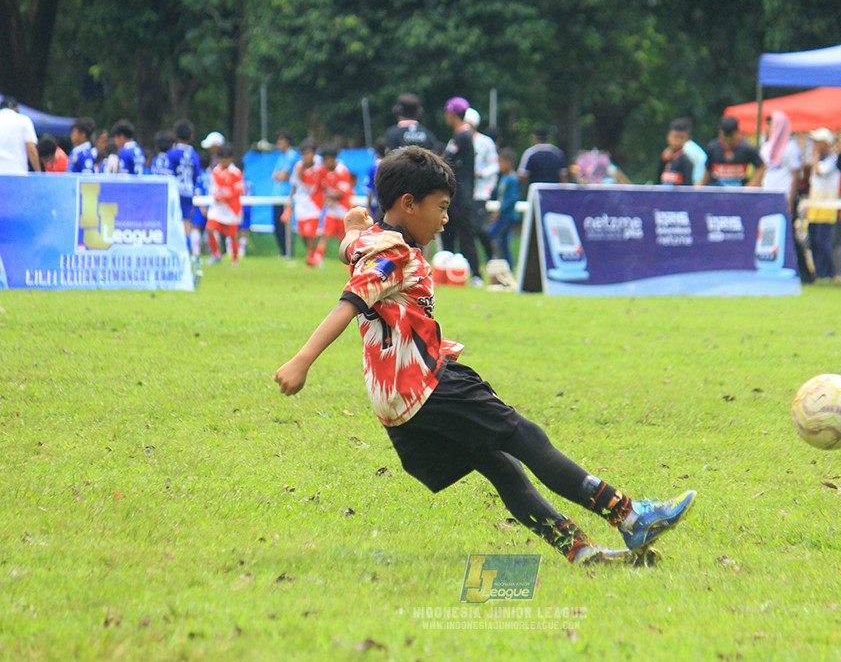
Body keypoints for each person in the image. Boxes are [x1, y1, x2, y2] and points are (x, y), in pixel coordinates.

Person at [273, 146, 697, 565]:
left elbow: (350, 249)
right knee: (526, 437)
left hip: (395, 399)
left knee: (501, 467)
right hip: (425, 383)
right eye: (441, 207)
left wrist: (350, 228)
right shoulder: (394, 254)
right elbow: (349, 303)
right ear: (408, 204)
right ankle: (629, 515)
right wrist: (302, 360)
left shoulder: (372, 242)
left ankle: (581, 551)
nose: (445, 218)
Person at [442, 96, 481, 283]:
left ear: (452, 113)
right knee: (448, 233)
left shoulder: (463, 136)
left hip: (461, 195)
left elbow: (449, 162)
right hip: (455, 194)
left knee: (465, 235)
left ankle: (476, 274)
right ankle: (448, 272)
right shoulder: (459, 136)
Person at [805, 128, 841, 280]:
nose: (815, 146)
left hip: (827, 207)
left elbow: (819, 171)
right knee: (813, 240)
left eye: (817, 143)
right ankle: (819, 272)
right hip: (814, 206)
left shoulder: (833, 160)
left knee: (823, 240)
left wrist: (814, 157)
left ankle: (829, 272)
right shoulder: (819, 160)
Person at [465, 107, 499, 264]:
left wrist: (481, 174)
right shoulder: (457, 140)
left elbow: (494, 166)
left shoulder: (485, 142)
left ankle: (490, 256)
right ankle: (469, 263)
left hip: (480, 192)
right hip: (464, 192)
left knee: (477, 227)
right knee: (465, 230)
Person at [312, 144, 353, 267]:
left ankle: (349, 262)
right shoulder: (325, 171)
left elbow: (342, 193)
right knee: (325, 234)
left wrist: (328, 197)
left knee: (345, 238)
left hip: (343, 210)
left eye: (326, 160)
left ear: (332, 159)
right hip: (332, 210)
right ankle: (317, 259)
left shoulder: (342, 172)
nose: (324, 163)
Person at [205, 143, 245, 266]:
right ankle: (216, 254)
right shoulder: (215, 172)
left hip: (231, 207)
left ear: (231, 159)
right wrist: (216, 196)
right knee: (210, 228)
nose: (224, 161)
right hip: (218, 207)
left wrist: (225, 197)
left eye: (226, 158)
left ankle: (234, 259)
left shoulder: (236, 172)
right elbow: (213, 187)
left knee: (232, 235)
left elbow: (239, 190)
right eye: (221, 158)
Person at [167, 119, 203, 257]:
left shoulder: (172, 153)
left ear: (175, 135)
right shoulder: (194, 155)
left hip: (175, 191)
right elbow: (196, 176)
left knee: (172, 220)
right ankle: (186, 252)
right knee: (186, 222)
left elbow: (169, 173)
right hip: (188, 191)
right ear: (191, 137)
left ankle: (173, 251)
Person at [699, 116, 765, 188]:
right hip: (718, 191)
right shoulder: (713, 148)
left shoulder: (747, 148)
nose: (728, 140)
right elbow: (708, 169)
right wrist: (700, 187)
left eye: (731, 136)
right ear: (720, 132)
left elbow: (762, 167)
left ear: (737, 132)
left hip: (739, 191)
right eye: (725, 137)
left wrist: (751, 185)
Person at [289, 138, 324, 267]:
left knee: (311, 233)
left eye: (308, 153)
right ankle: (312, 255)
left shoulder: (320, 166)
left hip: (314, 203)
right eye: (304, 154)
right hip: (301, 203)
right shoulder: (298, 166)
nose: (306, 156)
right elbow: (294, 184)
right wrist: (290, 200)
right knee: (303, 233)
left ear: (314, 154)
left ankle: (310, 259)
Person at [761, 111, 802, 214]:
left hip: (784, 195)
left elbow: (795, 175)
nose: (770, 128)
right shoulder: (765, 148)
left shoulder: (791, 147)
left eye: (773, 124)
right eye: (768, 125)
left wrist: (790, 201)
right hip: (767, 194)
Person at [270, 130, 301, 256]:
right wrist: (279, 175)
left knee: (286, 225)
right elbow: (275, 175)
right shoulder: (280, 157)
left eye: (281, 140)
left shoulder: (292, 156)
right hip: (277, 195)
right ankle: (283, 251)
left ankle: (288, 252)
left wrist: (280, 176)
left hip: (286, 195)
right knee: (277, 225)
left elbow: (284, 176)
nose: (278, 143)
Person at [490, 147, 520, 267]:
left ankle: (493, 260)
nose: (499, 165)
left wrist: (500, 210)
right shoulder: (504, 178)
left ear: (509, 163)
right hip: (503, 215)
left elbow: (512, 198)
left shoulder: (513, 179)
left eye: (501, 162)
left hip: (507, 216)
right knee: (503, 243)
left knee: (491, 234)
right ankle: (506, 266)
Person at [517, 125, 568, 192]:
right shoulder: (558, 153)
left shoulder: (530, 153)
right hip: (554, 193)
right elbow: (563, 176)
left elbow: (522, 176)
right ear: (549, 138)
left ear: (534, 138)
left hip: (536, 193)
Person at [0, 97, 40, 174]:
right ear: (16, 109)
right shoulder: (24, 120)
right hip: (18, 172)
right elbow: (31, 149)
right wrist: (38, 172)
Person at [656, 118, 695, 186]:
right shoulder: (664, 158)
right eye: (675, 137)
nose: (678, 141)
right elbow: (658, 181)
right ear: (668, 137)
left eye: (682, 137)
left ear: (688, 139)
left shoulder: (685, 161)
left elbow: (688, 185)